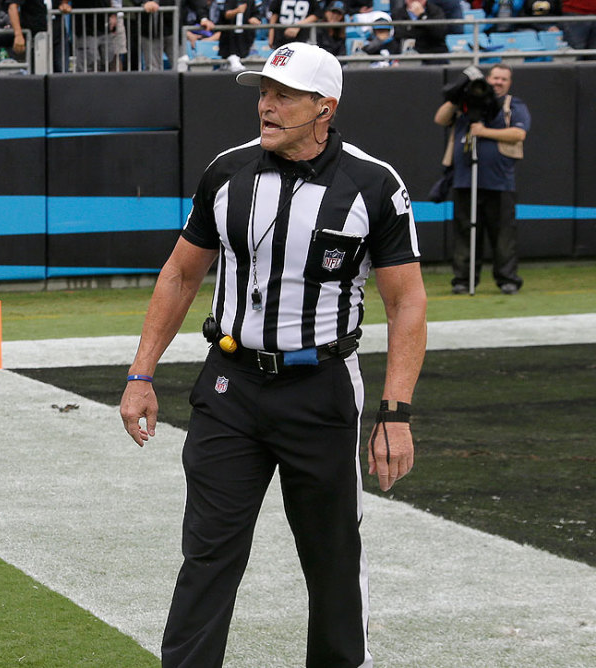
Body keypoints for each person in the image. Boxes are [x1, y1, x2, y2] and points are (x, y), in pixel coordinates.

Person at [119, 42, 427, 668]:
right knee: (208, 551)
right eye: (262, 91)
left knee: (332, 556)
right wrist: (141, 373)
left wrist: (396, 413)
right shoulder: (226, 172)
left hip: (321, 389)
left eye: (283, 95)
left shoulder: (373, 184)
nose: (265, 104)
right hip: (230, 387)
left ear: (324, 107)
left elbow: (407, 304)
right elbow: (180, 275)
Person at [434, 64, 530, 295]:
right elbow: (440, 118)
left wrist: (483, 131)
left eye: (504, 79)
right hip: (465, 179)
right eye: (495, 78)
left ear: (509, 82)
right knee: (465, 233)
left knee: (503, 235)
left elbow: (519, 133)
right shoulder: (465, 104)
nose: (498, 82)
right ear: (488, 78)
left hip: (500, 181)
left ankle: (507, 279)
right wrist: (458, 94)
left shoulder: (513, 105)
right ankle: (463, 280)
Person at [200, 0, 263, 73]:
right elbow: (224, 14)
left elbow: (257, 15)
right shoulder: (226, 2)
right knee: (230, 59)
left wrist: (255, 19)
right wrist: (237, 11)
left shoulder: (252, 1)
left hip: (246, 39)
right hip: (228, 39)